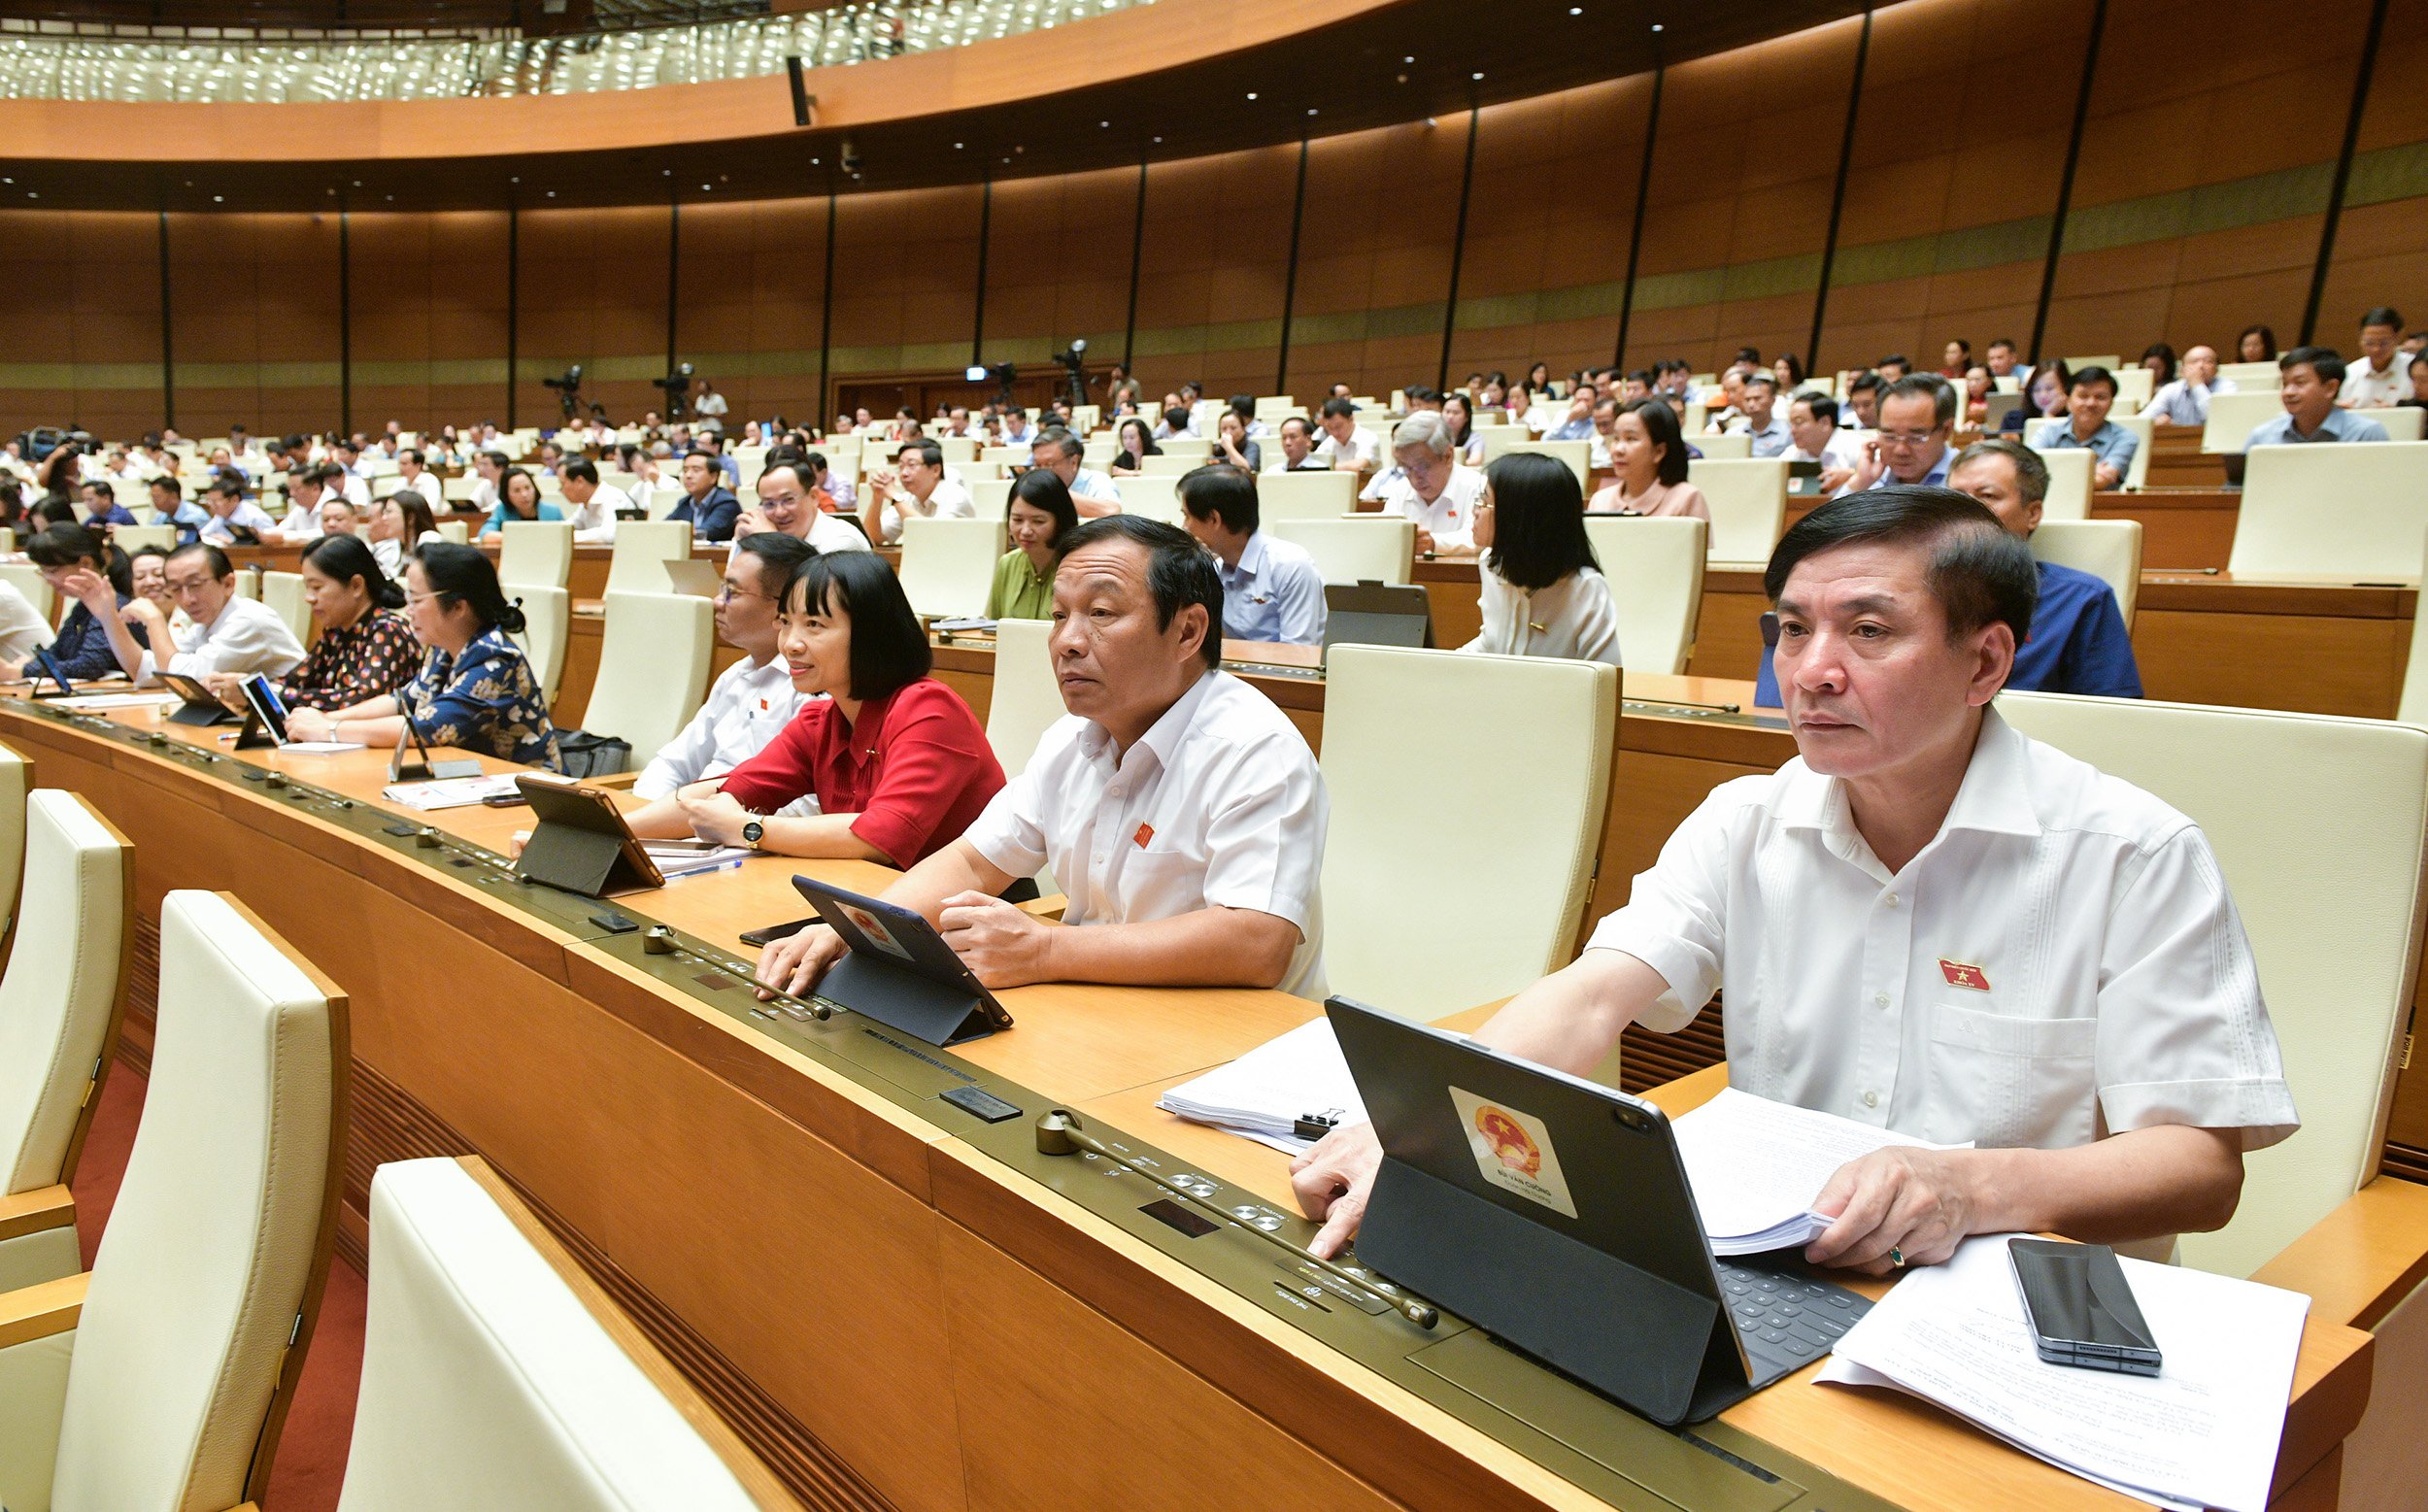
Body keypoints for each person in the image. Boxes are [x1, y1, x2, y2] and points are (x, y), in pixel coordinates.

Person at [1294, 487, 2296, 1265]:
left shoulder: (2133, 854)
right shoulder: (1747, 819)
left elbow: (2199, 1172)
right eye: (1790, 628)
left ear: (1985, 664)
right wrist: (1424, 1131)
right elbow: (1596, 994)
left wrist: (1967, 1189)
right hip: (1784, 1264)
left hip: (2015, 1292)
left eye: (1868, 631)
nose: (1809, 671)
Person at [753, 515, 1327, 1001]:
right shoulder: (1071, 739)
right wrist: (856, 927)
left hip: (1234, 1036)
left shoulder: (1255, 749)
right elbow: (974, 863)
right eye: (1058, 616)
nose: (1067, 641)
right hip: (1100, 1004)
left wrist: (1047, 947)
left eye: (1101, 614)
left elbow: (1257, 942)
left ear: (1187, 631)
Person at [628, 551, 1003, 866]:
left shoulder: (930, 711)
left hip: (972, 920)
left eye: (814, 625)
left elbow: (878, 839)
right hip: (870, 903)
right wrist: (618, 829)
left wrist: (747, 828)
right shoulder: (819, 720)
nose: (791, 643)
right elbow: (730, 792)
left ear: (871, 635)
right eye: (786, 623)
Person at [1754, 438, 2141, 703]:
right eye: (1956, 497)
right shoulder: (1905, 592)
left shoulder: (2083, 598)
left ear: (2033, 512)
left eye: (1987, 496)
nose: (1967, 512)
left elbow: (2108, 718)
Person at [284, 543, 558, 768]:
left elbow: (427, 726)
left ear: (458, 607)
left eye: (416, 600)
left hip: (522, 793)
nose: (408, 610)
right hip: (468, 775)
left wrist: (329, 731)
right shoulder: (442, 648)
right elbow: (401, 701)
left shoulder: (495, 658)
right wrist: (327, 719)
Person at [624, 532, 817, 813]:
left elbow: (806, 804)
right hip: (691, 823)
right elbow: (674, 763)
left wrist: (706, 820)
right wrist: (644, 812)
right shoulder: (735, 675)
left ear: (781, 609)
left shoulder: (811, 688)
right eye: (721, 588)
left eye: (732, 592)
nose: (717, 601)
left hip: (748, 834)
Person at [215, 533, 419, 713]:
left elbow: (360, 701)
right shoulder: (336, 631)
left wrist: (263, 693)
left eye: (317, 587)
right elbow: (296, 681)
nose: (309, 598)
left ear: (356, 586)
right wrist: (248, 690)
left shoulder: (389, 631)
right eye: (307, 587)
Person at [1464, 452, 1619, 666]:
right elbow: (1492, 643)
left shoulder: (1586, 589)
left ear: (1518, 518)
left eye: (1484, 502)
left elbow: (1604, 680)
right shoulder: (1491, 564)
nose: (1475, 511)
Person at [1176, 464, 1326, 647]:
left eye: (1187, 516)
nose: (1185, 527)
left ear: (1214, 519)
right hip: (1230, 670)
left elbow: (1298, 652)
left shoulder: (1291, 566)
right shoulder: (1212, 569)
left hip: (1279, 672)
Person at [123, 542, 306, 684]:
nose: (187, 599)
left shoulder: (249, 620)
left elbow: (183, 678)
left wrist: (154, 620)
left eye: (195, 585)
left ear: (228, 584)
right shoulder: (205, 624)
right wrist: (107, 613)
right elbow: (147, 671)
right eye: (176, 588)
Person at [16, 524, 138, 680]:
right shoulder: (82, 607)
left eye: (52, 571)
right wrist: (31, 666)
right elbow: (56, 653)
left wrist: (23, 671)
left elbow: (89, 666)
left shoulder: (114, 604)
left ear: (86, 563)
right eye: (42, 571)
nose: (47, 580)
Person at [1374, 412, 1487, 554]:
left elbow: (1479, 540)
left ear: (1448, 456)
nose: (1415, 478)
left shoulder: (1479, 487)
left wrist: (1433, 543)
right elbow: (1385, 535)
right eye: (1406, 468)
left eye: (1422, 467)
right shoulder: (1400, 489)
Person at [2245, 348, 2390, 448]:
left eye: (2300, 383)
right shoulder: (2263, 436)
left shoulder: (2365, 434)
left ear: (2330, 388)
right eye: (2285, 384)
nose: (2288, 392)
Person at [1588, 398, 1709, 518]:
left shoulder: (1687, 499)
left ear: (1659, 451)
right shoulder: (1599, 501)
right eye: (1616, 438)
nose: (1618, 449)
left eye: (1631, 438)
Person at [733, 457, 873, 556]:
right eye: (769, 504)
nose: (780, 512)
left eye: (788, 500)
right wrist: (741, 543)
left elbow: (805, 592)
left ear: (813, 497)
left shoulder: (842, 542)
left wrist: (773, 542)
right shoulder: (769, 535)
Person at [1840, 375, 1957, 493]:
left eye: (1915, 438)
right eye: (1889, 436)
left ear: (1946, 430)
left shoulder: (1967, 480)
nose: (1900, 451)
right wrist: (1860, 482)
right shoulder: (1875, 475)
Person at [989, 469, 1077, 622]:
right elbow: (994, 627)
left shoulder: (1078, 568)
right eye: (1017, 520)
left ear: (1060, 521)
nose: (1025, 531)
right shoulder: (1007, 564)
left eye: (1038, 521)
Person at [2032, 365, 2139, 489]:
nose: (2091, 403)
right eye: (2083, 396)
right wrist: (2090, 471)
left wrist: (2052, 472)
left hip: (2100, 506)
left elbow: (2099, 482)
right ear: (2068, 402)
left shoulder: (2126, 438)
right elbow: (2027, 476)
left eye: (2100, 397)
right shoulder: (2047, 432)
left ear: (2111, 404)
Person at [861, 439, 974, 545]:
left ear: (936, 470)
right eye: (901, 466)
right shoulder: (908, 498)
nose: (904, 473)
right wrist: (877, 498)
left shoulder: (955, 495)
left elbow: (934, 538)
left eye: (912, 465)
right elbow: (873, 539)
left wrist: (895, 497)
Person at [1029, 429, 1120, 518]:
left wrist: (1058, 492)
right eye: (1037, 465)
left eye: (1049, 465)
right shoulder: (1032, 484)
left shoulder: (1098, 481)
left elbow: (1113, 513)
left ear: (1074, 462)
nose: (1042, 472)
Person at [1785, 388, 1860, 492]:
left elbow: (1882, 481)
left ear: (1825, 422)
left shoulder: (1856, 446)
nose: (1792, 430)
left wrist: (1854, 475)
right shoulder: (1792, 453)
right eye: (1791, 423)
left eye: (1798, 422)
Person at [2141, 344, 2232, 427]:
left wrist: (2197, 385)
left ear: (2216, 370)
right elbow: (2142, 419)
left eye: (2208, 361)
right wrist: (2155, 423)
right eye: (2194, 362)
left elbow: (2220, 421)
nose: (2201, 366)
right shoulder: (2171, 389)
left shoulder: (2227, 387)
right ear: (2182, 371)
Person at [666, 451, 743, 543]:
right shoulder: (685, 502)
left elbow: (705, 533)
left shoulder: (727, 503)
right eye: (685, 470)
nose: (688, 475)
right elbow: (666, 528)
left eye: (696, 470)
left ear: (713, 477)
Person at [560, 456, 637, 545]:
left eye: (563, 483)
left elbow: (608, 535)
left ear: (579, 481)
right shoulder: (586, 502)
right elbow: (568, 526)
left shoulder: (612, 497)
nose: (561, 490)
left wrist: (567, 536)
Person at [368, 488, 444, 576]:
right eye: (384, 513)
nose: (384, 518)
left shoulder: (430, 541)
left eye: (389, 512)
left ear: (410, 518)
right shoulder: (393, 546)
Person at [2341, 307, 2407, 408]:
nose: (2376, 349)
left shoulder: (2413, 368)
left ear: (2398, 337)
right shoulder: (2350, 373)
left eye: (2383, 343)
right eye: (2369, 343)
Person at [480, 466, 562, 543]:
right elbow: (485, 534)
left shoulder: (553, 512)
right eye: (516, 490)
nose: (524, 494)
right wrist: (523, 538)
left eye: (527, 488)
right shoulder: (502, 511)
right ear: (506, 494)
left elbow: (567, 536)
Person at [196, 472, 276, 547]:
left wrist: (232, 544)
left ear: (234, 500)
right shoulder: (220, 515)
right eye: (210, 501)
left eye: (216, 501)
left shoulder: (256, 517)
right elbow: (202, 534)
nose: (211, 505)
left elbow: (271, 546)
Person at [1311, 397, 1383, 474]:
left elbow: (1357, 466)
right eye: (1330, 428)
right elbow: (1314, 465)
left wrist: (1326, 467)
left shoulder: (1368, 438)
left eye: (1338, 426)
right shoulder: (1329, 441)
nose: (1335, 433)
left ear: (1351, 419)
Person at [1732, 372, 1791, 458]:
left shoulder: (1788, 433)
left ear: (1773, 400)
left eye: (1757, 398)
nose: (1751, 404)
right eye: (1747, 400)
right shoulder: (1733, 434)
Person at [146, 476, 211, 544]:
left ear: (173, 496)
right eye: (152, 497)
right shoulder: (162, 515)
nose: (154, 501)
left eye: (157, 497)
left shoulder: (196, 516)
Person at [1211, 409, 1264, 478]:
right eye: (1224, 429)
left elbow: (1249, 471)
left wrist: (1229, 448)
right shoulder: (1216, 449)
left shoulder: (1252, 447)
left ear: (1243, 429)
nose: (1228, 432)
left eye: (1233, 428)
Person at [1441, 391, 1485, 465]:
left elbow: (1476, 460)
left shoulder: (1475, 438)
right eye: (1447, 412)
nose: (1450, 417)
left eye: (1456, 412)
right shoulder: (1435, 434)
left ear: (1467, 416)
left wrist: (1448, 465)